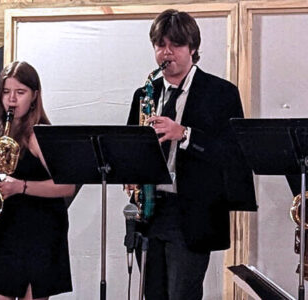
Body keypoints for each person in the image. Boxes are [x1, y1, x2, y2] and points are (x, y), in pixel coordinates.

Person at [125, 9, 256, 300]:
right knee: (152, 293)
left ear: (193, 48)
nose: (166, 53)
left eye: (175, 45)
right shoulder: (144, 94)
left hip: (191, 214)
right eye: (160, 45)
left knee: (183, 294)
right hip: (150, 210)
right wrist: (129, 175)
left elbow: (234, 153)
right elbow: (129, 147)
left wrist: (184, 134)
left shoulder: (221, 93)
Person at [0, 61, 76, 300]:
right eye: (6, 92)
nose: (12, 99)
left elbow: (67, 186)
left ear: (34, 96)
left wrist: (19, 186)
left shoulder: (38, 134)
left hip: (39, 233)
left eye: (20, 93)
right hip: (2, 231)